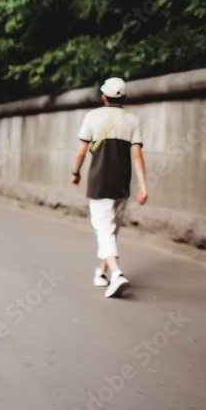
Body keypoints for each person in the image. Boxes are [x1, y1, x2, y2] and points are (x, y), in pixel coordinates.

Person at [71, 77, 148, 298]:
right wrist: (143, 186)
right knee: (111, 228)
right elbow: (137, 155)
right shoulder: (133, 120)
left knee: (104, 228)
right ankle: (101, 273)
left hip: (99, 182)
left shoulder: (92, 117)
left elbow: (81, 151)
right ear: (123, 97)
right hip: (122, 183)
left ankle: (117, 274)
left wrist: (75, 173)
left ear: (103, 96)